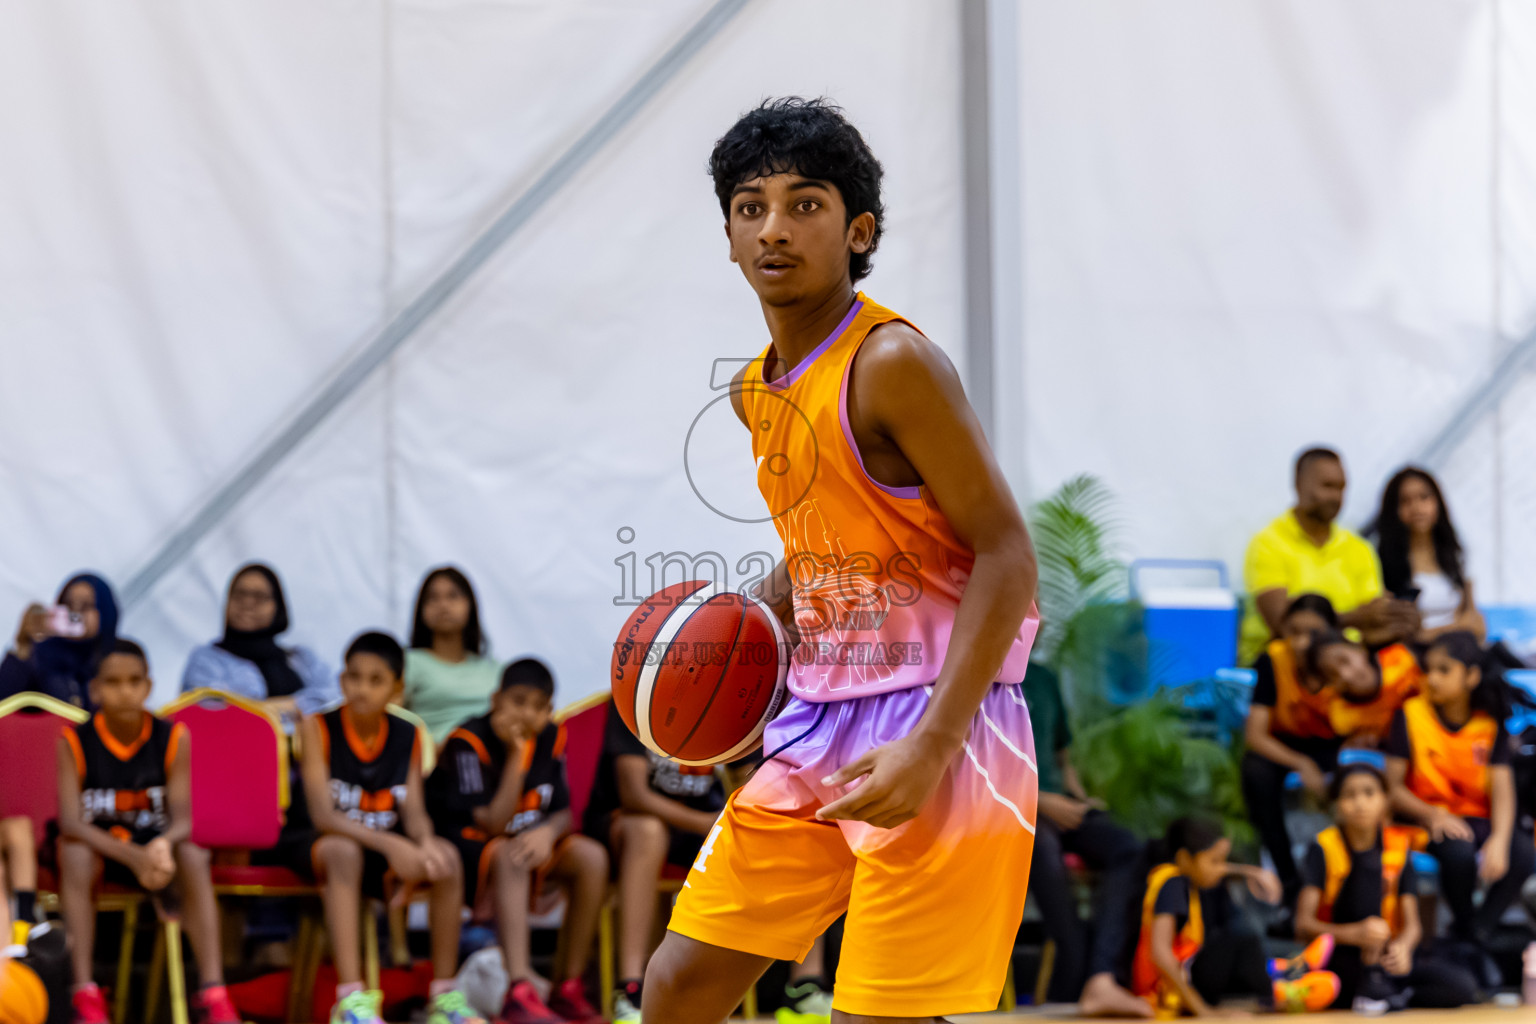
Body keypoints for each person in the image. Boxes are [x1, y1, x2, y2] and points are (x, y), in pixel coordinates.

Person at [642, 98, 1041, 1024]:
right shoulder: (754, 392)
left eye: (805, 203)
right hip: (820, 721)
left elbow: (1007, 554)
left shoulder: (893, 361)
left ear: (857, 230)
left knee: (879, 1017)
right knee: (677, 987)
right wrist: (743, 636)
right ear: (730, 237)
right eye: (750, 207)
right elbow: (829, 549)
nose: (774, 228)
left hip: (948, 720)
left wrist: (934, 745)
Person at [291, 631, 485, 1024]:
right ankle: (350, 1001)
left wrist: (425, 843)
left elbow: (413, 813)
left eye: (375, 680)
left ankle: (444, 997)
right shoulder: (317, 727)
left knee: (446, 859)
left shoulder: (409, 733)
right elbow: (324, 816)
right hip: (315, 841)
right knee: (342, 851)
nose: (361, 689)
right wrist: (393, 847)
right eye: (353, 677)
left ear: (397, 688)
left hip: (376, 848)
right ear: (342, 680)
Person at [55, 639, 239, 1024]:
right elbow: (71, 821)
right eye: (113, 682)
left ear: (149, 686)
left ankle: (213, 991)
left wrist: (159, 847)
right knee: (72, 851)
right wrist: (134, 858)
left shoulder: (173, 737)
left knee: (194, 852)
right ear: (95, 689)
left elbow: (184, 820)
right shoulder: (74, 740)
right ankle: (84, 991)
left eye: (134, 681)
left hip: (152, 846)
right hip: (101, 847)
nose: (125, 691)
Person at [428, 658, 606, 1024]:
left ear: (550, 711)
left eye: (538, 706)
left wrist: (548, 832)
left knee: (591, 857)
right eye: (518, 701)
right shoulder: (467, 742)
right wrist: (516, 756)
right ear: (496, 699)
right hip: (464, 847)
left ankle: (567, 987)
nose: (527, 714)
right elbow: (492, 823)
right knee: (511, 854)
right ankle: (519, 988)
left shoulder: (554, 736)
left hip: (525, 840)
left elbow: (562, 810)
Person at [1383, 632, 1534, 959]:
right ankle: (1469, 933)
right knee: (1458, 851)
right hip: (1425, 817)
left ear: (1471, 676)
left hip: (1474, 816)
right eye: (1428, 669)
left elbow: (1503, 790)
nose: (1432, 678)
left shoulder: (1489, 721)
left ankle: (1475, 934)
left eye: (1443, 670)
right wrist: (1432, 815)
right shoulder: (1410, 714)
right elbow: (1392, 789)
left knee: (1522, 851)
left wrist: (1499, 839)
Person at [580, 703, 728, 1022]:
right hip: (626, 822)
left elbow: (753, 775)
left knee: (767, 831)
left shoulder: (733, 698)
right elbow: (634, 794)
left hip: (698, 821)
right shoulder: (636, 700)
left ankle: (799, 987)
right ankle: (630, 988)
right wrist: (706, 823)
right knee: (649, 832)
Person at [1294, 762, 1478, 1011]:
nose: (1360, 803)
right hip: (1341, 956)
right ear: (1337, 804)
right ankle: (1380, 991)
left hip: (1385, 954)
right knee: (1364, 876)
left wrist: (1403, 946)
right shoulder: (1323, 848)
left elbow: (1412, 924)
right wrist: (1354, 934)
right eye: (1350, 795)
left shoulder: (1399, 848)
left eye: (1369, 793)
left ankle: (1387, 993)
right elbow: (1303, 925)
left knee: (1461, 986)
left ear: (1384, 801)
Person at [1023, 661, 1148, 1017]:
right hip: (1014, 808)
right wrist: (1041, 801)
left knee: (1128, 844)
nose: (1039, 617)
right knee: (1040, 847)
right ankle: (1072, 963)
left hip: (1061, 805)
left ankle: (1102, 977)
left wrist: (1079, 797)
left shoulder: (1045, 678)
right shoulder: (979, 670)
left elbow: (1063, 757)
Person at [1130, 817, 1336, 1016]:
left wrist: (1250, 872)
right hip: (1163, 990)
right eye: (1215, 861)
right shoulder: (1172, 884)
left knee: (1240, 947)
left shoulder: (1184, 881)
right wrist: (1202, 1010)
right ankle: (1282, 985)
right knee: (1241, 940)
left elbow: (1213, 869)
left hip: (1183, 980)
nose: (1221, 869)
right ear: (1184, 859)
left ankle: (1284, 975)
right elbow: (1160, 953)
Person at [1238, 449, 1416, 665]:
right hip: (1281, 666)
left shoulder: (1359, 547)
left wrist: (1396, 621)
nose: (1336, 497)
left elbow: (1372, 619)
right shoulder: (1268, 543)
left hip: (1346, 664)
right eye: (1327, 486)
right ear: (1298, 484)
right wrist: (1354, 618)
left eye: (1341, 488)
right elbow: (1282, 624)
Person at [1240, 595, 1343, 906]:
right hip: (1288, 744)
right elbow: (1255, 735)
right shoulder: (1273, 660)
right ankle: (1288, 880)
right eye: (1294, 631)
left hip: (1337, 746)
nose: (1301, 642)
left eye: (1313, 633)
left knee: (1358, 777)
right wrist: (1302, 764)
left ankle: (1345, 880)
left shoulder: (1346, 660)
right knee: (1255, 770)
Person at [180, 563, 339, 722]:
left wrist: (283, 707)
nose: (247, 603)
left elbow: (335, 696)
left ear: (277, 606)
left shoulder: (300, 658)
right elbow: (209, 715)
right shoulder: (206, 660)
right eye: (240, 594)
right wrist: (282, 709)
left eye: (259, 596)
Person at [1372, 467, 1485, 643]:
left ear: (1438, 502)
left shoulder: (1457, 556)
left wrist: (1439, 632)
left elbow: (1477, 624)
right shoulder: (1382, 563)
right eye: (1405, 501)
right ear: (1393, 509)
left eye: (1424, 497)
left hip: (1457, 652)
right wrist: (1456, 628)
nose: (1417, 508)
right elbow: (1402, 634)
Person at [405, 567, 503, 745]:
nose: (443, 605)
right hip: (436, 765)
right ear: (421, 608)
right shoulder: (409, 663)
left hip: (491, 763)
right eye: (433, 598)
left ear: (470, 605)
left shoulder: (495, 669)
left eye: (453, 596)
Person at [1, 573, 118, 708]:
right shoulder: (30, 658)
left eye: (86, 605)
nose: (75, 612)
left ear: (105, 612)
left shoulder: (119, 663)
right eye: (68, 604)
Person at [1308, 633, 1423, 748]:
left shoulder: (1400, 657)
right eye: (1332, 675)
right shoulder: (1342, 718)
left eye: (1344, 660)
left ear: (1360, 649)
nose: (1346, 675)